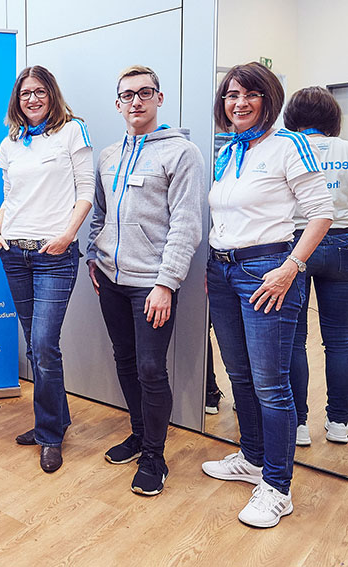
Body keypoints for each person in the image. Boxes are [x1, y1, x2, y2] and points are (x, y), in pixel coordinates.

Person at [201, 62, 332, 528]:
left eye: (250, 94)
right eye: (231, 95)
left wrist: (289, 268)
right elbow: (224, 215)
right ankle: (252, 459)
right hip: (223, 269)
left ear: (268, 98)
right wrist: (212, 264)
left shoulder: (288, 145)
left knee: (270, 384)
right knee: (238, 373)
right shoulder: (227, 152)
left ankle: (277, 487)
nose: (239, 103)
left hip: (268, 270)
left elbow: (322, 213)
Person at [85, 65, 205, 495]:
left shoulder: (182, 153)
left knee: (152, 369)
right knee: (125, 360)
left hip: (150, 284)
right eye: (128, 95)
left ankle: (155, 454)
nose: (136, 101)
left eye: (145, 93)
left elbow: (187, 225)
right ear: (117, 105)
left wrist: (166, 282)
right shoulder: (108, 155)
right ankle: (139, 434)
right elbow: (99, 213)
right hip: (111, 280)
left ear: (158, 98)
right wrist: (92, 257)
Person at [0, 65, 93, 473]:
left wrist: (67, 235)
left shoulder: (72, 131)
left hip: (54, 254)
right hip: (13, 251)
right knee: (35, 346)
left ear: (51, 93)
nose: (31, 99)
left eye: (39, 91)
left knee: (45, 344)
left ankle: (49, 435)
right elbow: (11, 196)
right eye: (24, 93)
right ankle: (57, 419)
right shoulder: (11, 142)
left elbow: (86, 191)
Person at [283, 86, 348, 446]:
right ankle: (339, 422)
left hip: (296, 243)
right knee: (339, 341)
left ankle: (298, 425)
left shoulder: (290, 149)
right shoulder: (345, 149)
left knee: (294, 341)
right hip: (341, 243)